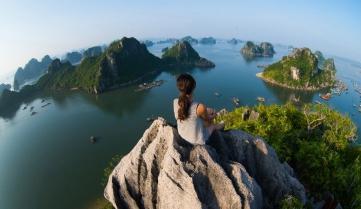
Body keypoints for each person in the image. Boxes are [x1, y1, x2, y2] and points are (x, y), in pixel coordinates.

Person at [173, 73, 224, 145]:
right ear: (193, 87)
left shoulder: (175, 102)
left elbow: (188, 114)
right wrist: (214, 115)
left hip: (182, 134)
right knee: (212, 125)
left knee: (206, 112)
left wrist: (206, 111)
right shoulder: (199, 107)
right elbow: (208, 121)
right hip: (195, 141)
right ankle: (220, 125)